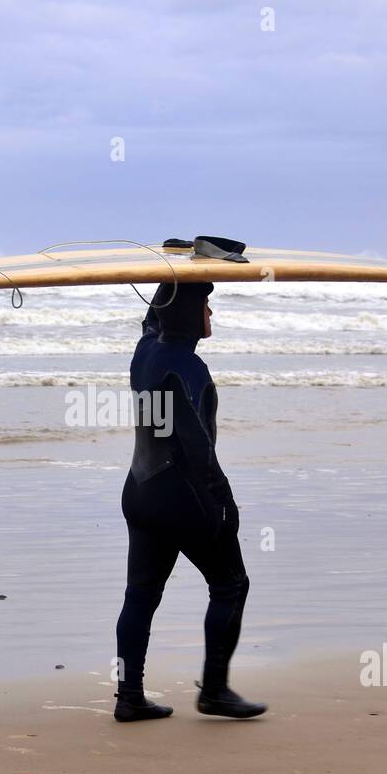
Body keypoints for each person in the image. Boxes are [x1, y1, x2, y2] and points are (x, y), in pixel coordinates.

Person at [113, 280, 268, 722]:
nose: (211, 314)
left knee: (140, 595)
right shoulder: (188, 367)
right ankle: (215, 690)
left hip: (140, 491)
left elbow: (150, 318)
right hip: (182, 498)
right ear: (187, 314)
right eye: (206, 305)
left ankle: (129, 697)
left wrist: (178, 269)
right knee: (231, 584)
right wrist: (225, 502)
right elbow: (198, 449)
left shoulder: (144, 352)